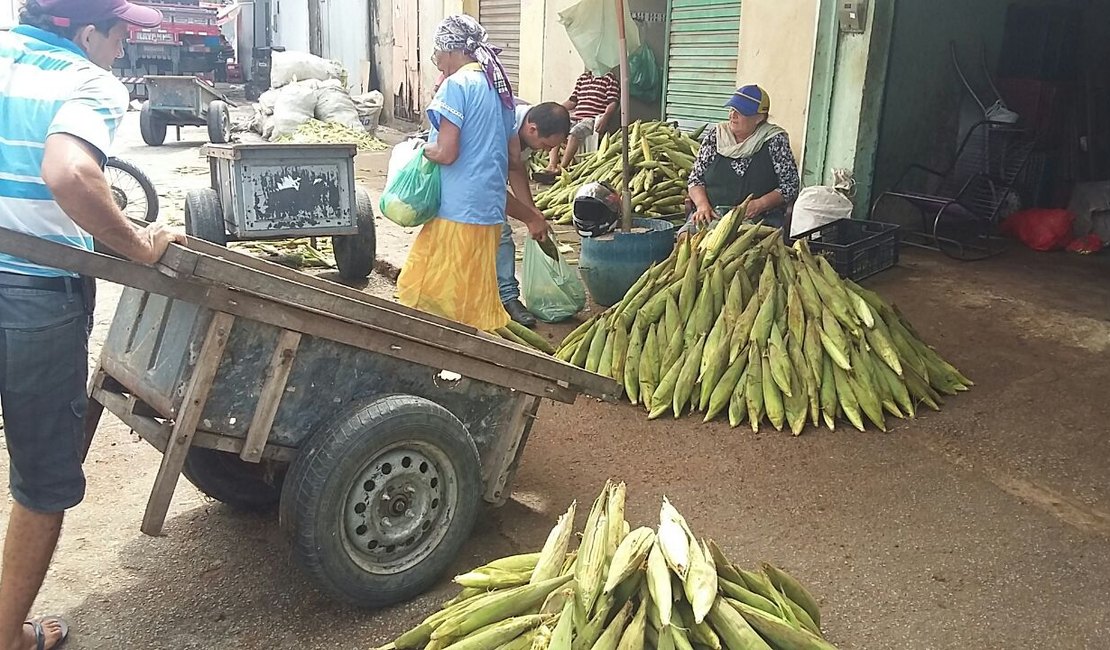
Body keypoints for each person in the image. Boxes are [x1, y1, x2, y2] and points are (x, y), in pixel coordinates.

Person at [0, 1, 185, 648]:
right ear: (84, 33)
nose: (123, 48)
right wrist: (138, 245)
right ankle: (9, 638)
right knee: (42, 478)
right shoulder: (84, 80)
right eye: (119, 34)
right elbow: (71, 171)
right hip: (31, 295)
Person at [397, 15, 547, 331]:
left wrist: (422, 150)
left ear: (450, 50)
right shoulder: (501, 89)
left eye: (436, 53)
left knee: (432, 294)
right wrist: (530, 213)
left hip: (456, 211)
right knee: (474, 297)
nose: (436, 61)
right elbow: (513, 157)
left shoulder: (457, 85)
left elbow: (447, 153)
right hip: (489, 214)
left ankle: (436, 357)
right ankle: (473, 356)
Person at [683, 85, 800, 234]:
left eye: (740, 111)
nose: (733, 115)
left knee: (738, 249)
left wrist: (760, 204)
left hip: (758, 219)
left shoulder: (774, 140)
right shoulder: (716, 136)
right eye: (732, 109)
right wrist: (702, 205)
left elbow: (790, 186)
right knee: (684, 239)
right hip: (712, 214)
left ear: (759, 117)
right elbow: (695, 179)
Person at [499, 101, 571, 327]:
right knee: (499, 233)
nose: (544, 150)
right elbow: (490, 189)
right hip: (463, 180)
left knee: (498, 236)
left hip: (483, 182)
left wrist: (533, 213)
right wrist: (528, 218)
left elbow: (516, 168)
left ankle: (502, 295)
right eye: (543, 144)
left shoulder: (526, 128)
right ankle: (507, 297)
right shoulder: (500, 126)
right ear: (532, 129)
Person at [546, 68, 620, 174]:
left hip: (592, 119)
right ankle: (552, 165)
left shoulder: (609, 79)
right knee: (556, 127)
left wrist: (606, 117)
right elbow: (572, 101)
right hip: (576, 117)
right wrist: (555, 110)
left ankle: (562, 168)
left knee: (575, 132)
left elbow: (613, 102)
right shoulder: (583, 78)